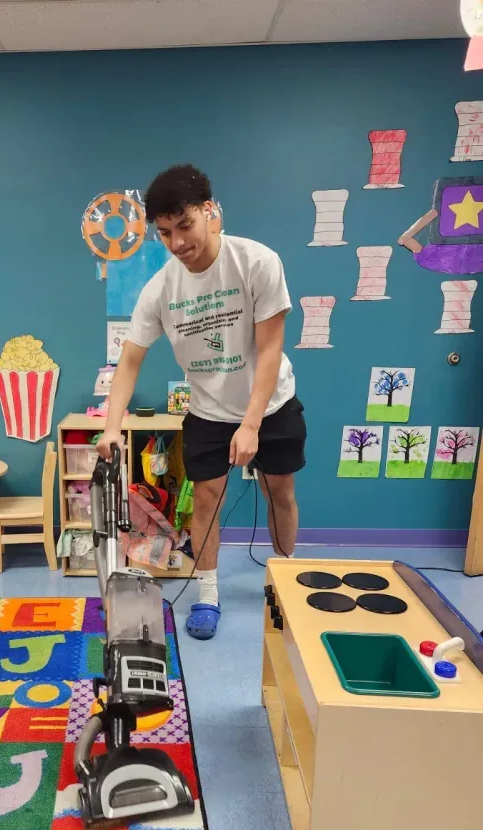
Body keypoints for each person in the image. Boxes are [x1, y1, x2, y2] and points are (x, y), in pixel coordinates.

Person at [96, 164, 306, 640]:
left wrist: (251, 424)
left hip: (271, 404)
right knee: (206, 498)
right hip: (208, 412)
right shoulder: (161, 289)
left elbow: (270, 347)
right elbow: (129, 362)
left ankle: (286, 580)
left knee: (281, 493)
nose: (177, 242)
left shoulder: (256, 262)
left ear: (210, 212)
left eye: (184, 225)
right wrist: (111, 427)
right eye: (165, 232)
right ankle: (207, 592)